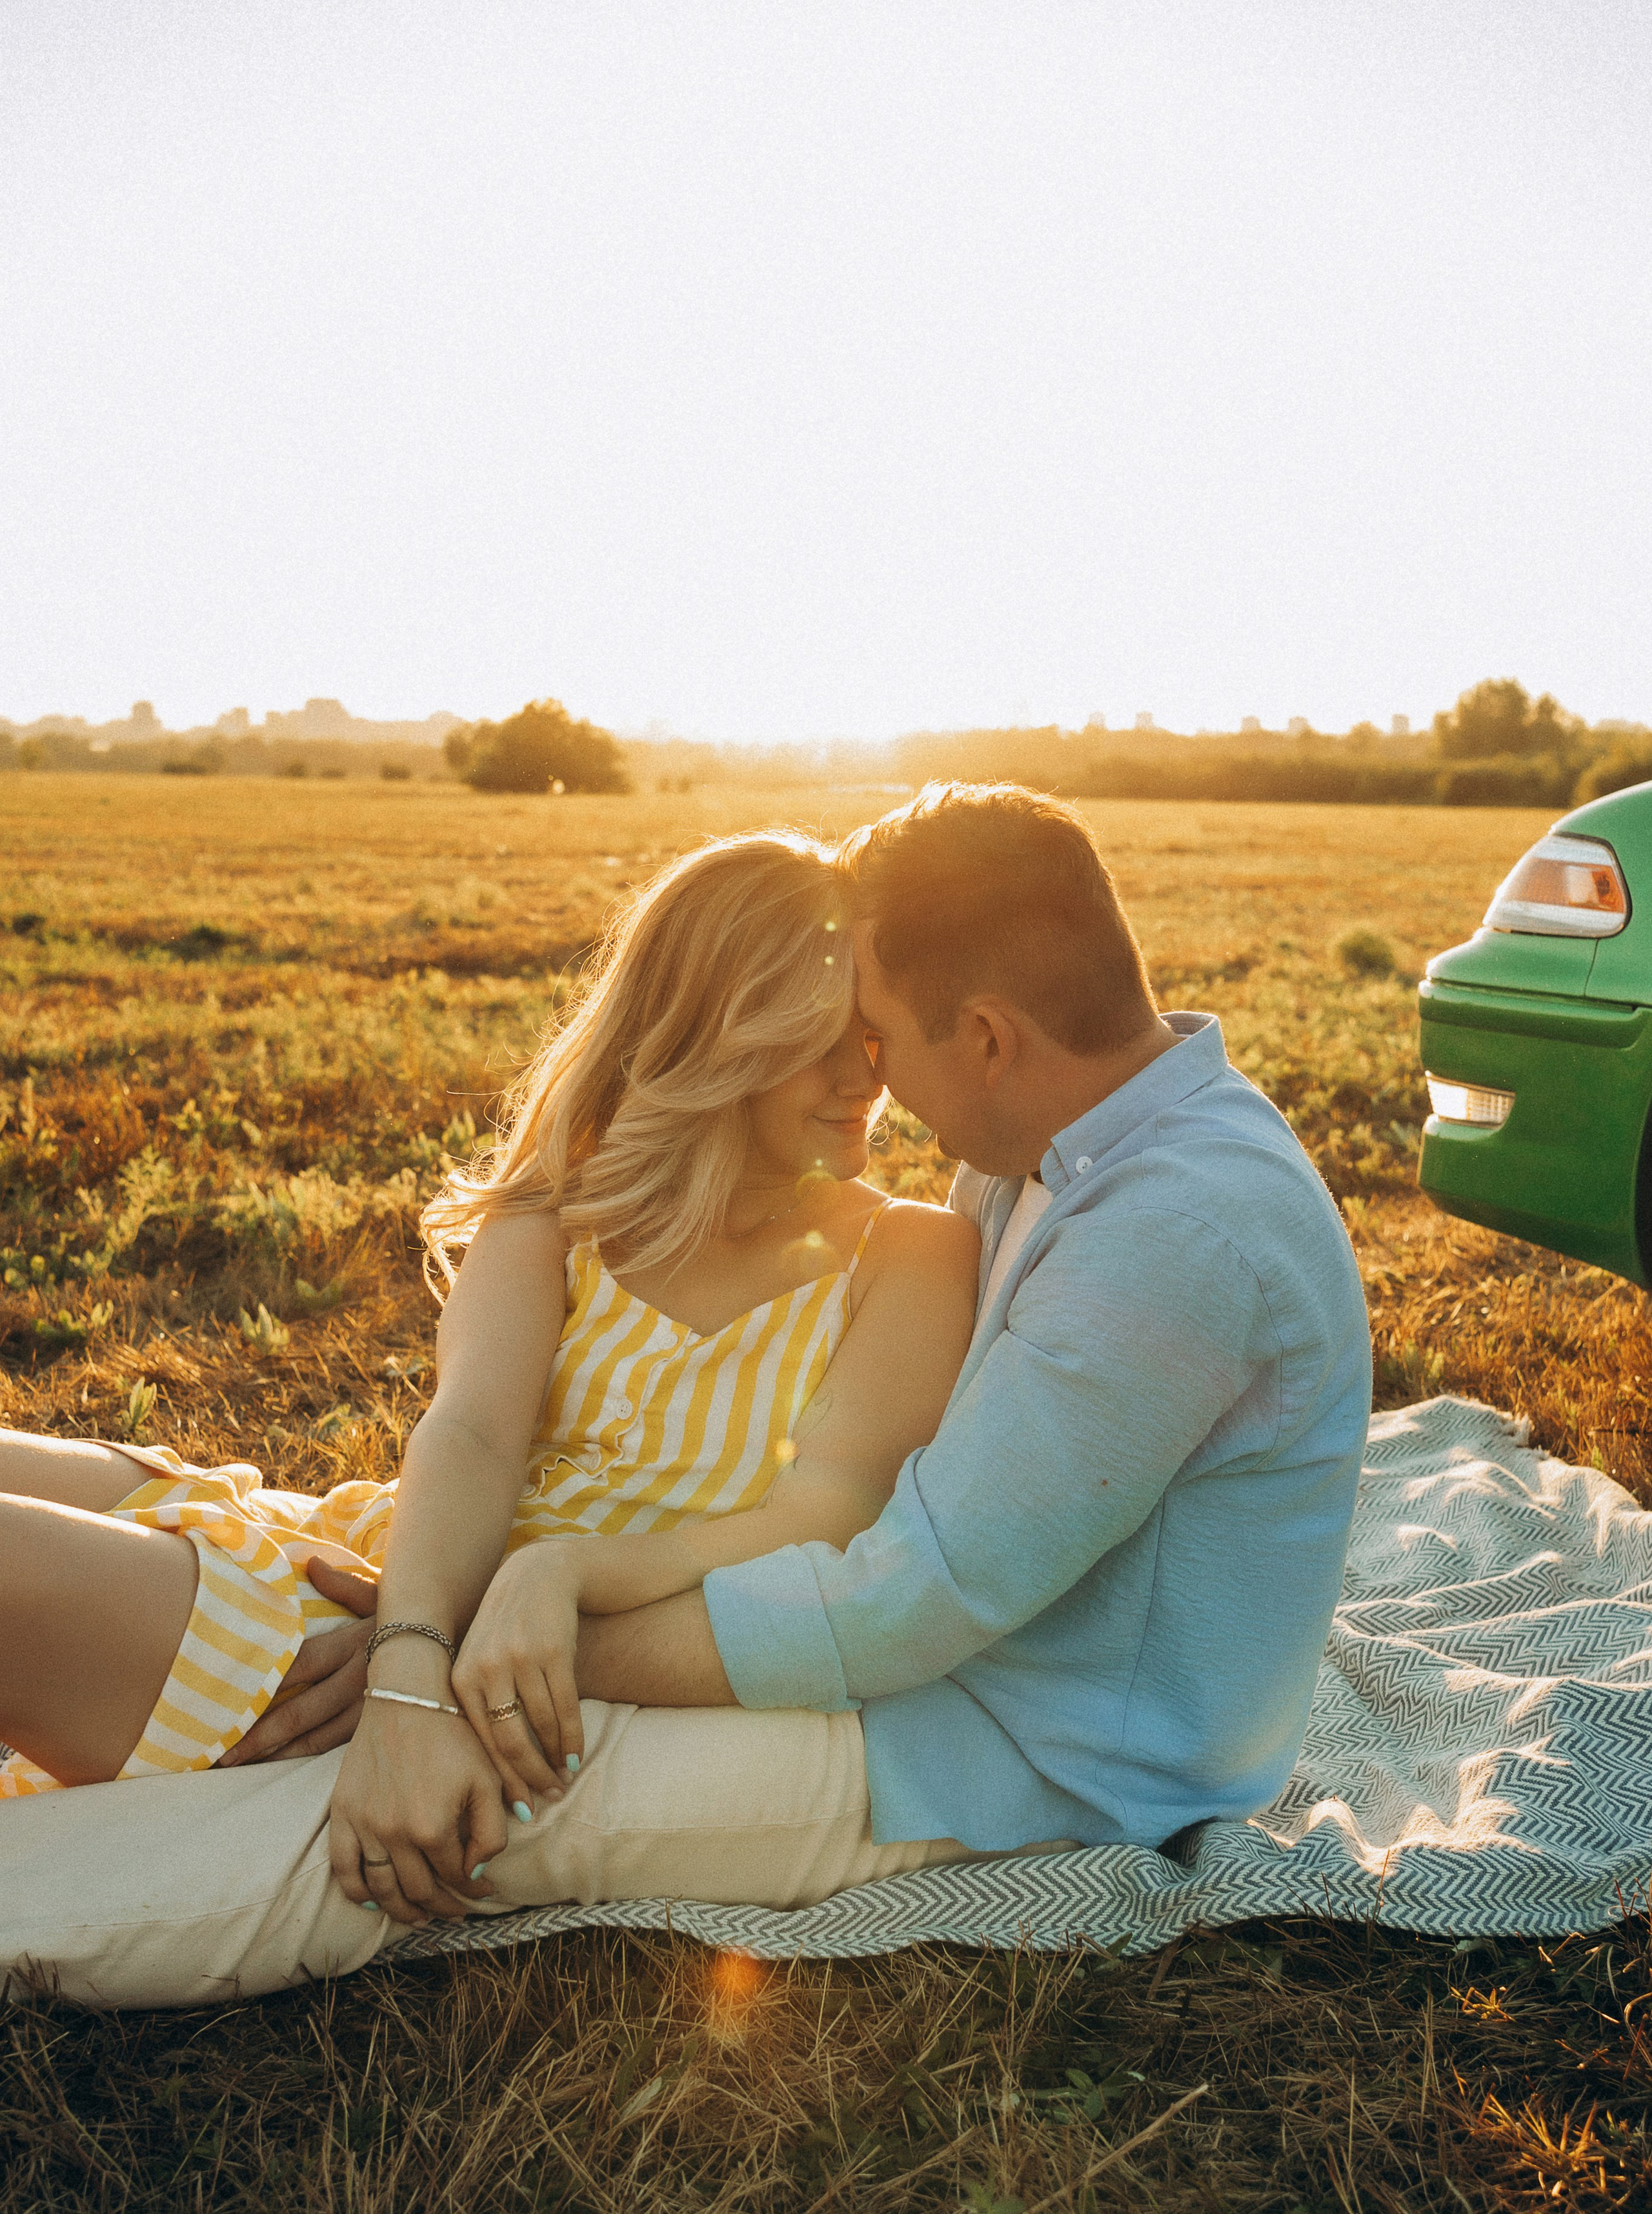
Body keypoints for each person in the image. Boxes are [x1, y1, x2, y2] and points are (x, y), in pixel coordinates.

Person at [0, 785, 1371, 2009]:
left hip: (999, 1743)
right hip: (523, 1584)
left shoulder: (1168, 1229)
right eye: (836, 1038)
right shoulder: (1046, 1150)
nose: (875, 1082)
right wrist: (438, 1630)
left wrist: (469, 1649)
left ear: (988, 1038)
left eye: (878, 1036)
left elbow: (896, 1593)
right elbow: (476, 1430)